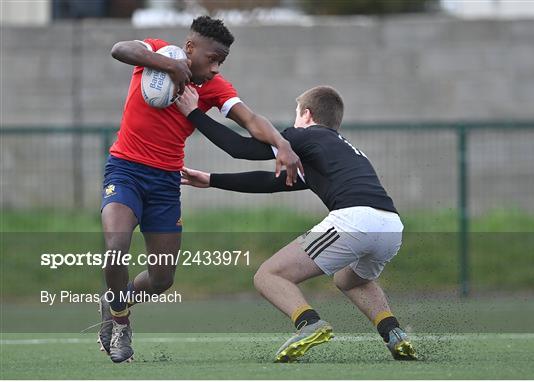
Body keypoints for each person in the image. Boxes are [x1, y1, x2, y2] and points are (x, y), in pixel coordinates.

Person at [99, 16, 302, 363]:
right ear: (190, 49)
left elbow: (251, 121)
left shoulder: (214, 87)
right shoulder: (158, 53)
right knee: (116, 246)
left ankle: (115, 298)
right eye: (213, 58)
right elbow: (121, 49)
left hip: (166, 183)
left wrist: (282, 143)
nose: (215, 66)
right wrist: (171, 66)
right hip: (126, 171)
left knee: (163, 278)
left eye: (222, 61)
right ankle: (119, 319)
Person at [175, 85, 418, 362]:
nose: (292, 122)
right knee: (350, 280)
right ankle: (393, 333)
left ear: (306, 114)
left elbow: (240, 148)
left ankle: (310, 324)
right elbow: (272, 182)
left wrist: (194, 113)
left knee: (269, 276)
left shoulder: (304, 136)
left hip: (355, 220)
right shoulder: (338, 148)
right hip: (391, 226)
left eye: (295, 114)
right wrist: (212, 180)